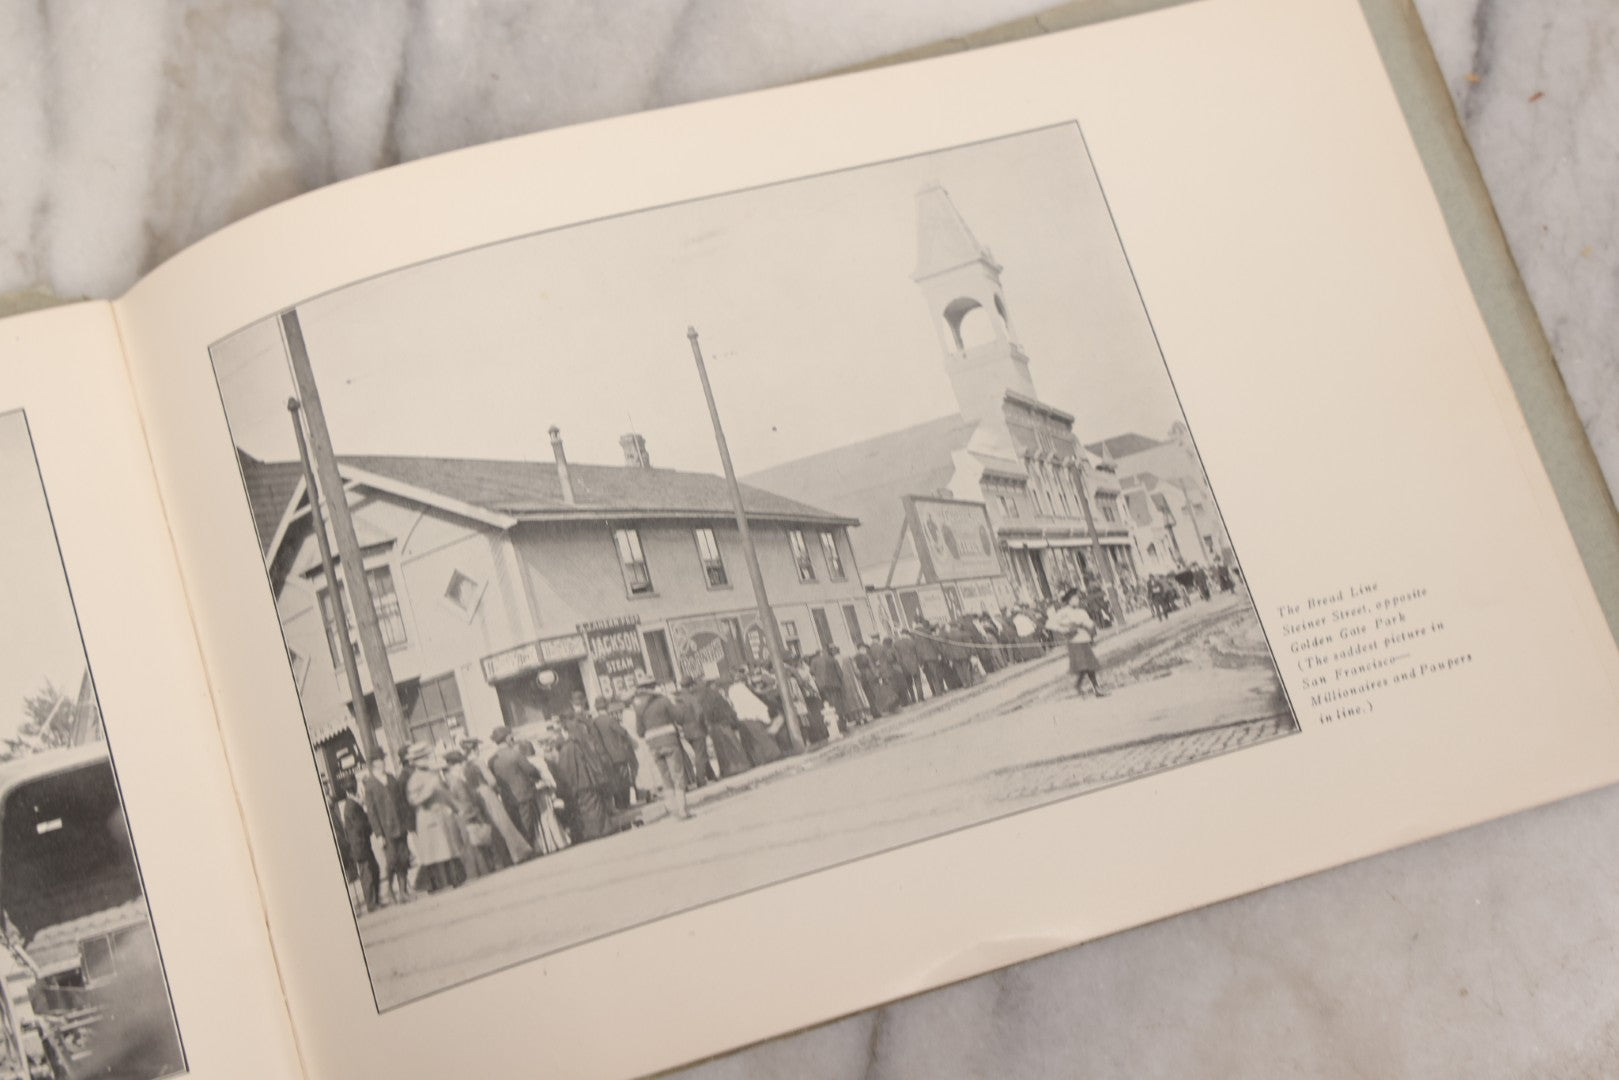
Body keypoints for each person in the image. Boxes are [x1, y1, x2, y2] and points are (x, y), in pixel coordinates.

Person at [403, 743, 466, 893]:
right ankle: (436, 884)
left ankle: (454, 879)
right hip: (427, 818)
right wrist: (429, 789)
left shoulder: (432, 774)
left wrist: (456, 807)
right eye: (422, 758)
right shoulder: (414, 780)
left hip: (441, 816)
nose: (426, 760)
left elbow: (444, 793)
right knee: (434, 853)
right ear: (415, 762)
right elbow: (413, 801)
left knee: (447, 848)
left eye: (426, 757)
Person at [459, 737, 527, 869]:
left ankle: (502, 858)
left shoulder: (465, 766)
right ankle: (517, 854)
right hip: (487, 793)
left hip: (476, 795)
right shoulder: (479, 762)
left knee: (492, 825)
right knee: (502, 823)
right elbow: (492, 781)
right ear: (474, 749)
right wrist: (496, 788)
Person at [633, 678, 692, 820]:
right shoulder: (663, 700)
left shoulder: (638, 706)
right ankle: (683, 809)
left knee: (665, 777)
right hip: (669, 741)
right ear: (654, 686)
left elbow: (640, 732)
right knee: (677, 774)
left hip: (653, 744)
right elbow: (679, 717)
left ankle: (672, 810)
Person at [546, 718, 613, 842]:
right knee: (595, 806)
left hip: (580, 783)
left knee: (587, 807)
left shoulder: (568, 748)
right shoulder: (581, 744)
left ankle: (596, 832)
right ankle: (604, 829)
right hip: (589, 780)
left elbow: (565, 770)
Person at [360, 756, 410, 905]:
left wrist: (406, 821)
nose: (382, 762)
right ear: (373, 764)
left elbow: (401, 801)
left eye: (382, 760)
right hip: (386, 831)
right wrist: (379, 834)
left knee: (404, 858)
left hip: (400, 826)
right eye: (378, 761)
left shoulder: (391, 778)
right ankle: (390, 891)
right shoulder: (370, 785)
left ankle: (403, 892)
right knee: (392, 861)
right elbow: (372, 813)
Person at [488, 725, 544, 847]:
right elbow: (530, 770)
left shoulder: (491, 760)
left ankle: (524, 848)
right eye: (511, 738)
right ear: (507, 738)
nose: (513, 740)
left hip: (507, 797)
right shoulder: (515, 754)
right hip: (523, 794)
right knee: (527, 822)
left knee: (516, 824)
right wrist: (538, 776)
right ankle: (530, 848)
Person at [331, 774, 380, 913]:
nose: (354, 787)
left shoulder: (352, 803)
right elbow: (360, 825)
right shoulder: (351, 805)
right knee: (367, 874)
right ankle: (371, 903)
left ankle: (374, 901)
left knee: (373, 870)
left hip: (362, 843)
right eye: (351, 786)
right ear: (348, 790)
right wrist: (369, 821)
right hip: (359, 845)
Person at [443, 749, 494, 880]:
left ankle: (478, 873)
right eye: (459, 764)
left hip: (463, 817)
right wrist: (475, 814)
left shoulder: (451, 780)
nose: (461, 766)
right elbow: (465, 801)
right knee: (475, 846)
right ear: (455, 765)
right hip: (468, 816)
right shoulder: (457, 781)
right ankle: (482, 873)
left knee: (472, 846)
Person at [1048, 590, 1106, 697]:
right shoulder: (1063, 612)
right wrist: (1065, 629)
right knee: (1083, 666)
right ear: (1069, 601)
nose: (1077, 600)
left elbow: (1088, 623)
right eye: (1074, 599)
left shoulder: (1081, 611)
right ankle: (1085, 686)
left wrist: (1091, 626)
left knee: (1090, 665)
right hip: (1074, 641)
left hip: (1084, 639)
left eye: (1078, 598)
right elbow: (1050, 623)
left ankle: (1091, 688)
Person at [692, 677, 751, 778]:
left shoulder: (700, 698)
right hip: (724, 722)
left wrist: (704, 725)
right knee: (732, 743)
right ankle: (742, 765)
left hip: (714, 725)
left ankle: (729, 769)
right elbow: (726, 707)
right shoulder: (715, 694)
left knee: (721, 748)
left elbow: (702, 714)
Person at [590, 696, 640, 808]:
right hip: (618, 754)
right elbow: (622, 731)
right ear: (606, 707)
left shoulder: (594, 722)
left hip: (605, 757)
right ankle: (626, 804)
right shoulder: (610, 719)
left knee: (614, 780)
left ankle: (618, 804)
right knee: (623, 778)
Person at [674, 679, 716, 788]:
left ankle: (711, 775)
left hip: (687, 731)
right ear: (690, 686)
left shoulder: (677, 700)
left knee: (700, 753)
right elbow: (700, 713)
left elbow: (677, 718)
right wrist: (704, 725)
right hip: (697, 729)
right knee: (700, 754)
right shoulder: (692, 698)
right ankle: (701, 780)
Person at [809, 646, 851, 733]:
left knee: (827, 705)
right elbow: (840, 672)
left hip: (822, 687)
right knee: (838, 704)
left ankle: (833, 725)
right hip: (835, 685)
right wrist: (840, 682)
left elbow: (812, 672)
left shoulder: (814, 661)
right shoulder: (832, 659)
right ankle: (842, 724)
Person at [895, 630, 926, 703]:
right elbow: (918, 653)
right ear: (907, 634)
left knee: (909, 684)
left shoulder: (896, 644)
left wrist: (900, 665)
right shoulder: (912, 642)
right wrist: (921, 663)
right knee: (917, 681)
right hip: (914, 664)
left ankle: (913, 699)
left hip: (904, 666)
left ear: (901, 634)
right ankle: (920, 698)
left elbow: (898, 658)